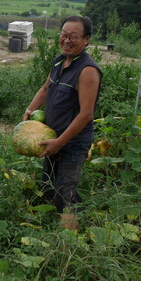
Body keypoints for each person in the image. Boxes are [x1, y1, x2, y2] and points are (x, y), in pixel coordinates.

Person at [23, 15, 102, 230]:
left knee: (65, 192)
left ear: (86, 40)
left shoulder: (87, 71)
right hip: (52, 136)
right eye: (64, 35)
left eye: (73, 36)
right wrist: (30, 110)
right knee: (49, 186)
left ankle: (69, 246)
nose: (67, 40)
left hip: (72, 142)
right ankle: (51, 230)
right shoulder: (59, 61)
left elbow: (86, 114)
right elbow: (45, 88)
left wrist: (60, 142)